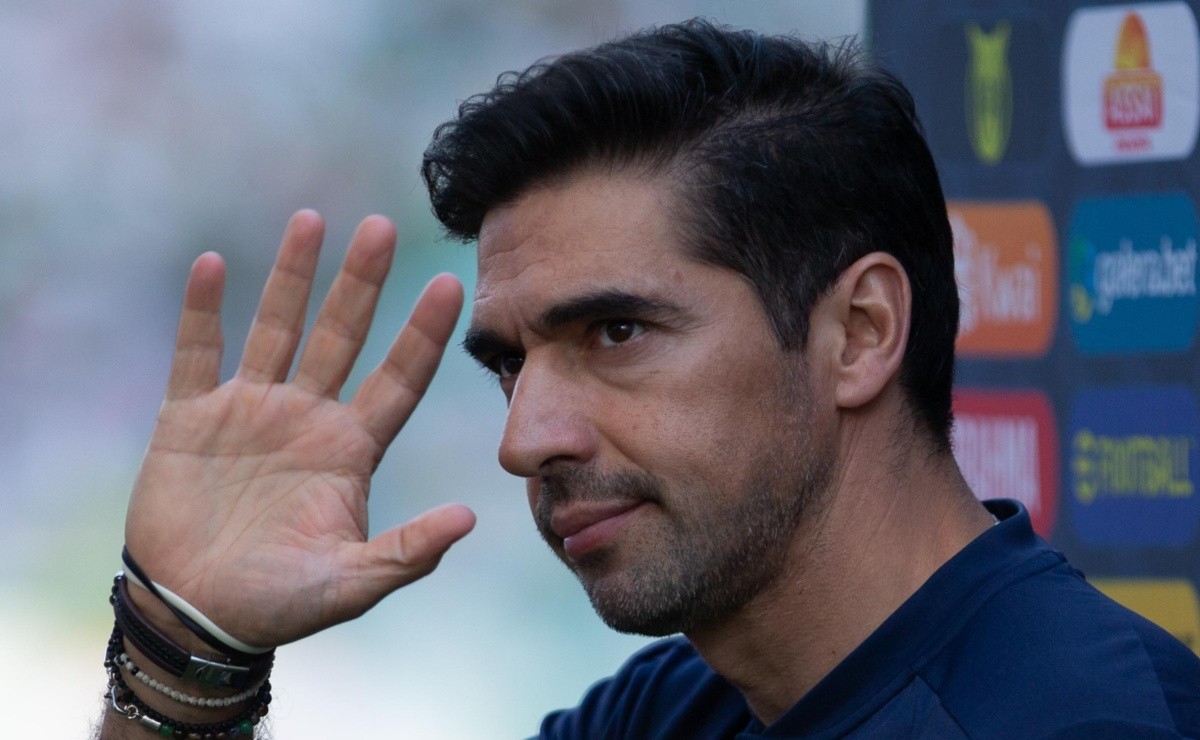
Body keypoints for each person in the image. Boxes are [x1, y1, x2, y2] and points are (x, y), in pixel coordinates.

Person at [98, 19, 1199, 739]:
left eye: (616, 331)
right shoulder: (677, 706)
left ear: (860, 334)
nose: (526, 439)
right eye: (511, 364)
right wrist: (189, 649)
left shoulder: (1084, 721)